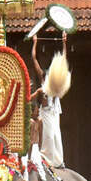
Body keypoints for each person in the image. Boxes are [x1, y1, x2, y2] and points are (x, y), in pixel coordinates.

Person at [29, 32, 69, 170]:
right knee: (48, 137)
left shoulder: (56, 86)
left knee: (56, 135)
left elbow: (63, 59)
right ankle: (46, 159)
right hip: (45, 113)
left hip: (54, 112)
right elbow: (34, 58)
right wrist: (35, 41)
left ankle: (58, 161)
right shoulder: (42, 87)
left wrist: (64, 42)